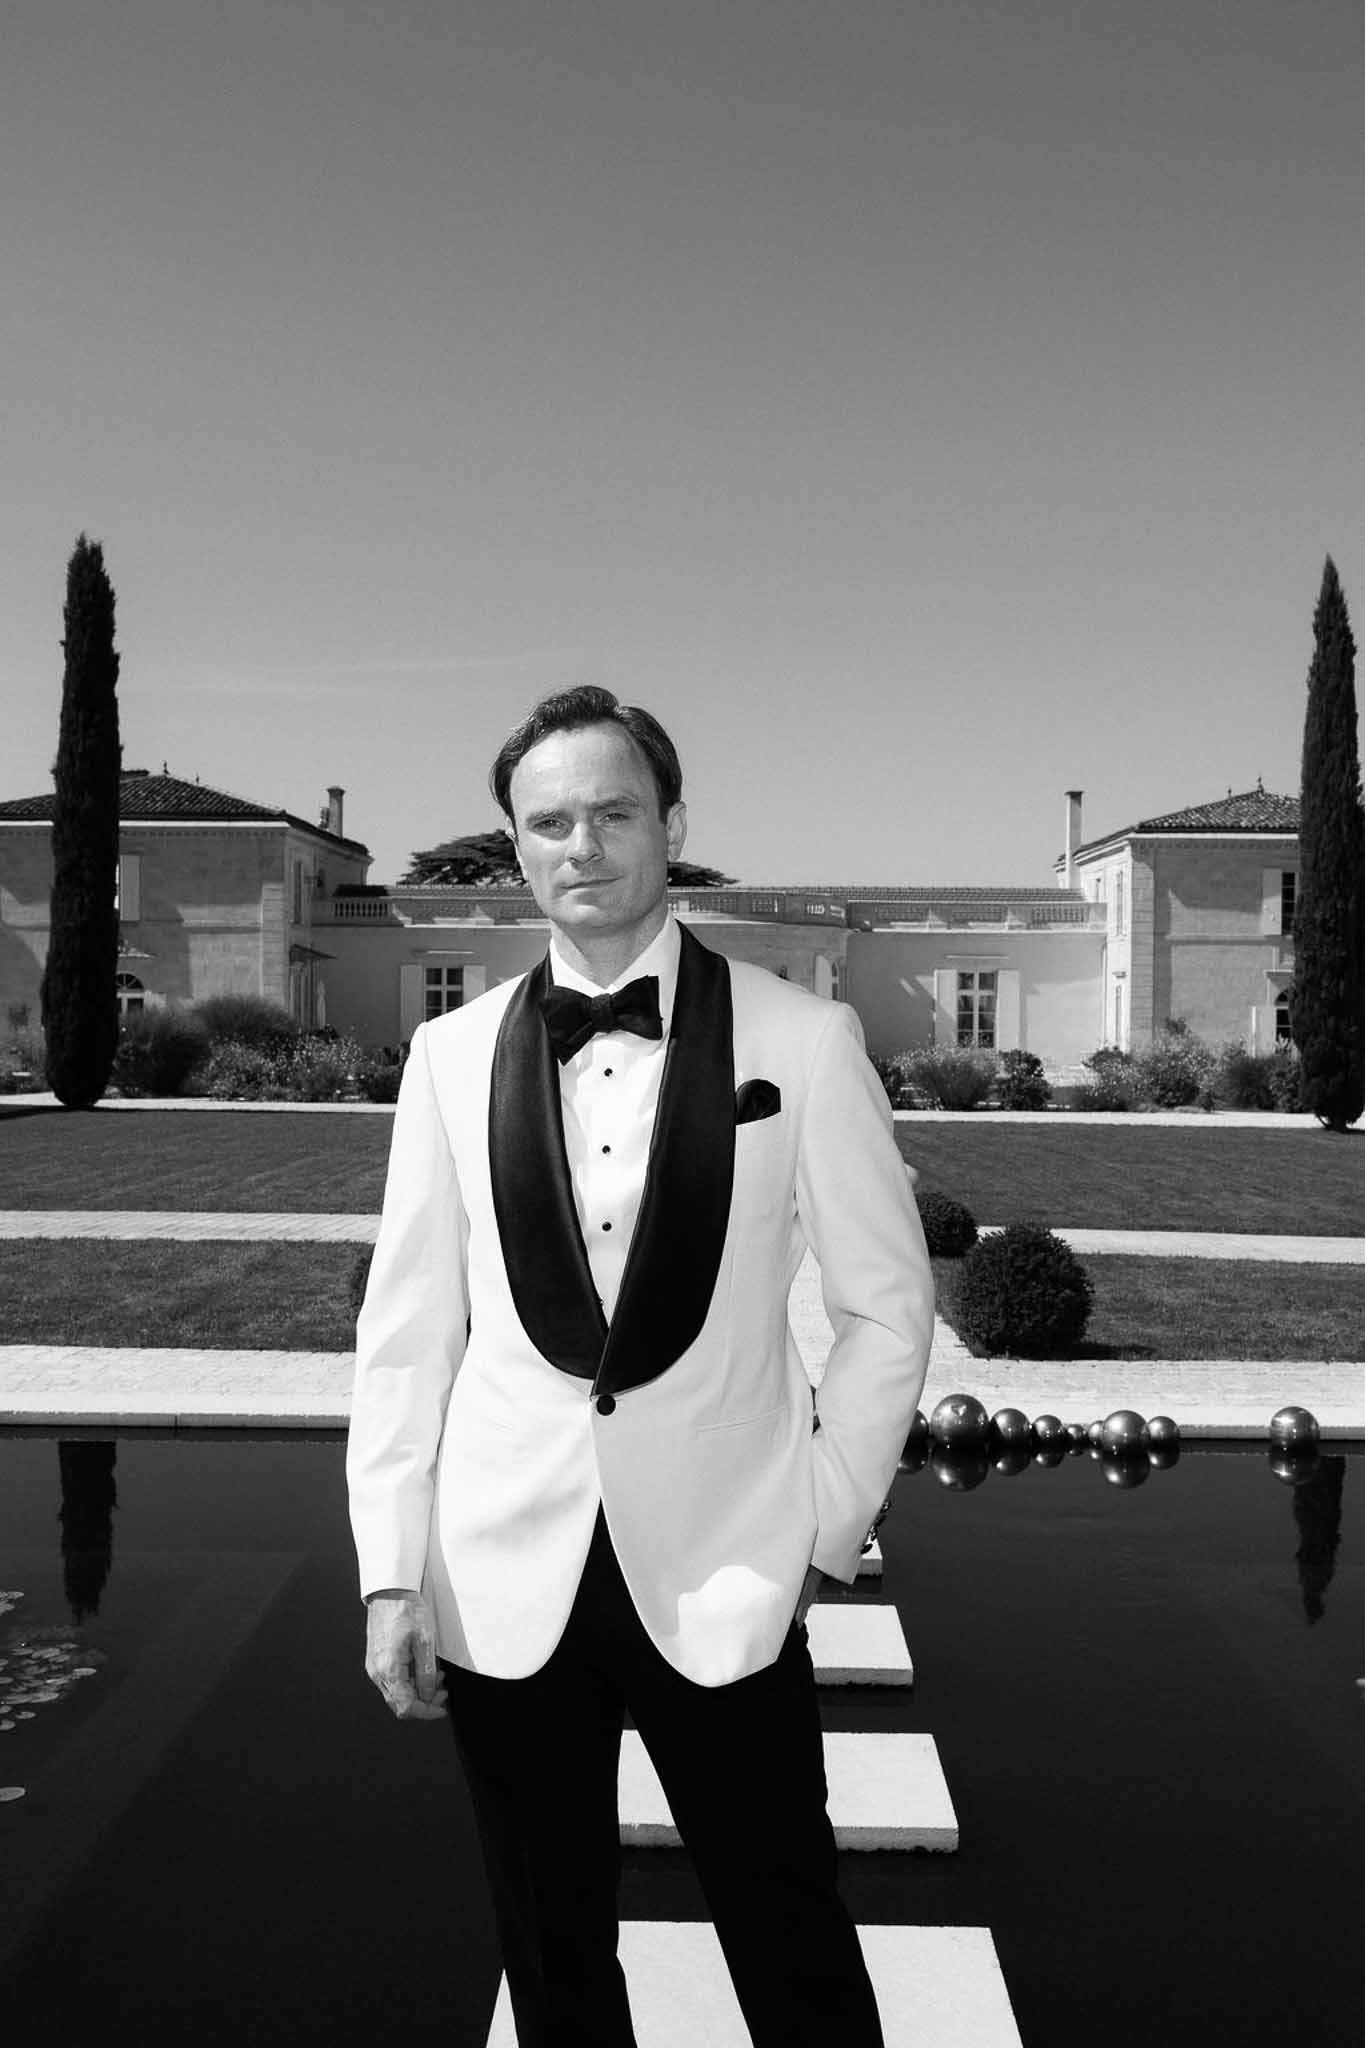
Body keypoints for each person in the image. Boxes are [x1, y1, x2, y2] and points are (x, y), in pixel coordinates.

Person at [346, 686, 934, 2047]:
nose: (583, 845)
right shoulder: (442, 1056)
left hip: (729, 1559)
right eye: (548, 821)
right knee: (549, 1950)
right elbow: (409, 1330)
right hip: (500, 1573)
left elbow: (884, 1309)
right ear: (515, 846)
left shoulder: (799, 1036)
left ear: (671, 824)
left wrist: (819, 1526)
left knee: (789, 1937)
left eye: (613, 812)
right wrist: (390, 1571)